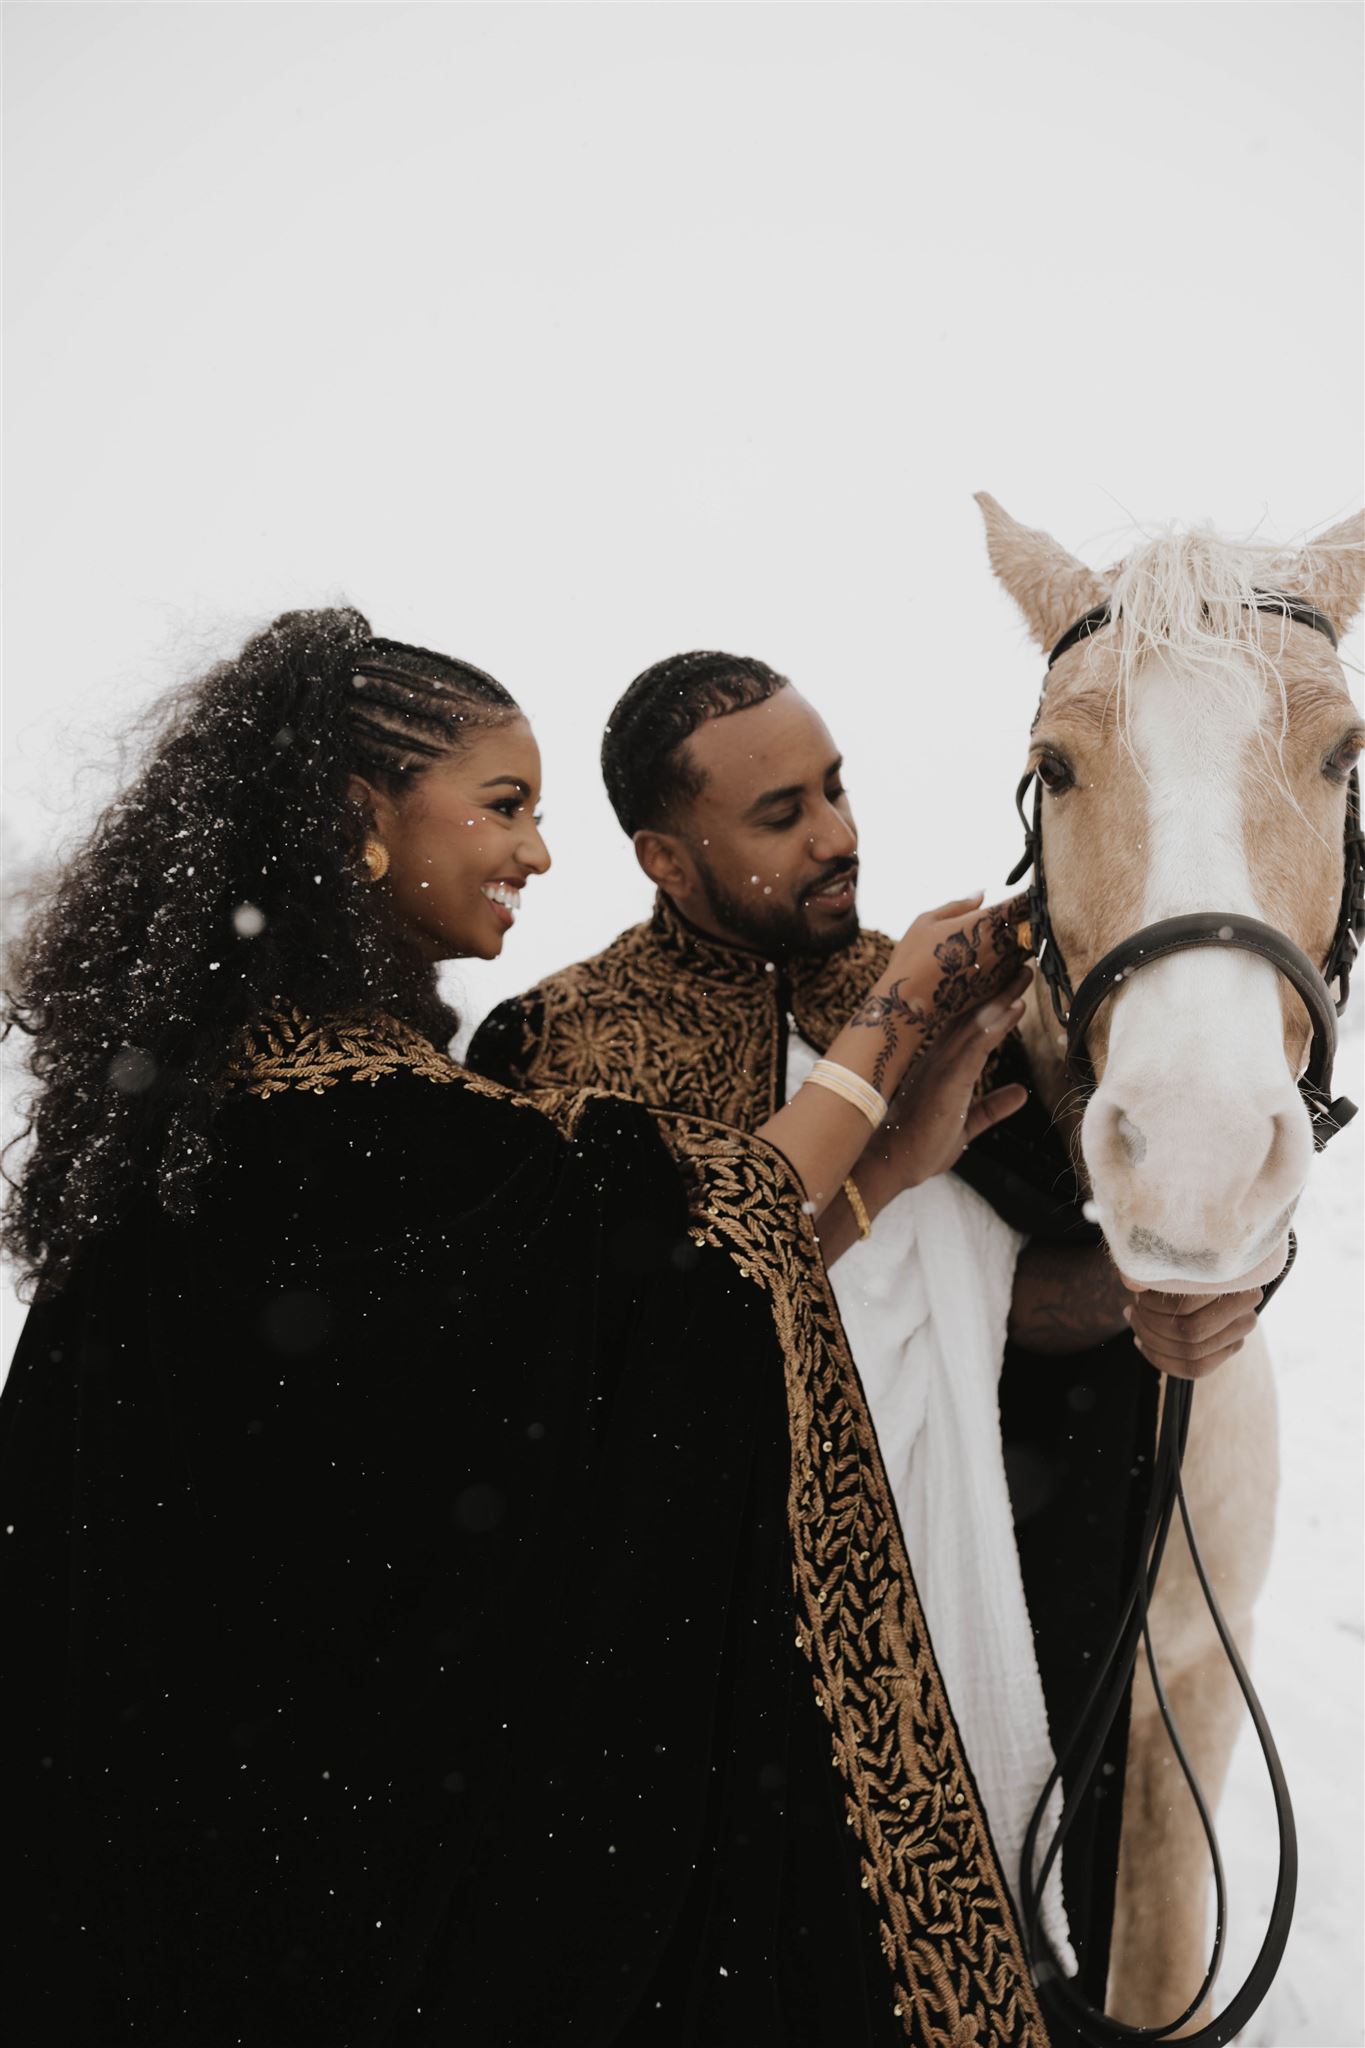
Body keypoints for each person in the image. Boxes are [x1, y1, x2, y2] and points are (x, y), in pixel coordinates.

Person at [1, 611, 1053, 2047]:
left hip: (237, 1841)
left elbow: (615, 1327)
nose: (536, 853)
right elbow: (662, 1228)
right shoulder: (365, 1135)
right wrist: (891, 1027)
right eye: (504, 806)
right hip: (338, 1865)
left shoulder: (257, 1116)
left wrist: (881, 1176)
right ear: (354, 820)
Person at [466, 651, 1262, 1999]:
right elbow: (594, 1361)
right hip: (709, 1663)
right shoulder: (556, 1052)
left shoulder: (970, 1004)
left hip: (959, 1629)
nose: (837, 834)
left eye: (834, 788)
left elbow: (1030, 1293)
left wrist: (1170, 1304)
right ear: (665, 858)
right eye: (779, 815)